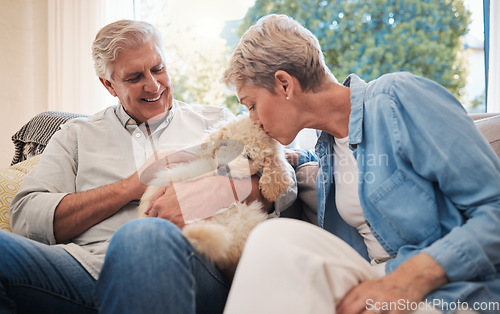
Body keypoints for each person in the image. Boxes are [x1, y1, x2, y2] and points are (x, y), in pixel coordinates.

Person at [2, 19, 296, 313]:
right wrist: (131, 186)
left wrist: (219, 190)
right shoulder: (75, 135)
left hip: (192, 265)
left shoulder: (216, 121)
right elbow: (27, 216)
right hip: (84, 270)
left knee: (143, 236)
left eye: (158, 69)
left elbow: (283, 184)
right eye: (134, 77)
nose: (154, 85)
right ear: (109, 85)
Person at [221, 14, 500, 314]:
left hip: (448, 292)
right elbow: (348, 164)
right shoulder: (326, 149)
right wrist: (287, 160)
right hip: (375, 284)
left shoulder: (398, 98)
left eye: (251, 105)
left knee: (271, 238)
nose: (253, 121)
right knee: (275, 240)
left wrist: (414, 276)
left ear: (285, 84)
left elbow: (494, 209)